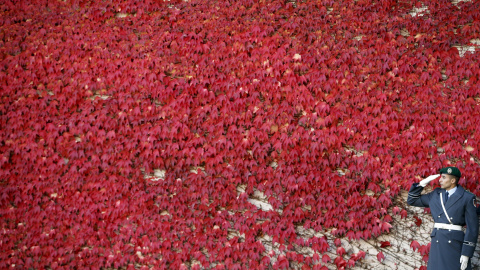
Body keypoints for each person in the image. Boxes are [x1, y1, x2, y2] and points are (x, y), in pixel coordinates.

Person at [407, 166, 478, 270]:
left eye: (444, 177)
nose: (440, 180)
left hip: (454, 244)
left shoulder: (467, 197)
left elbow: (473, 228)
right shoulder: (436, 194)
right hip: (438, 241)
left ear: (453, 180)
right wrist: (422, 183)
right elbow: (412, 200)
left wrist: (466, 253)